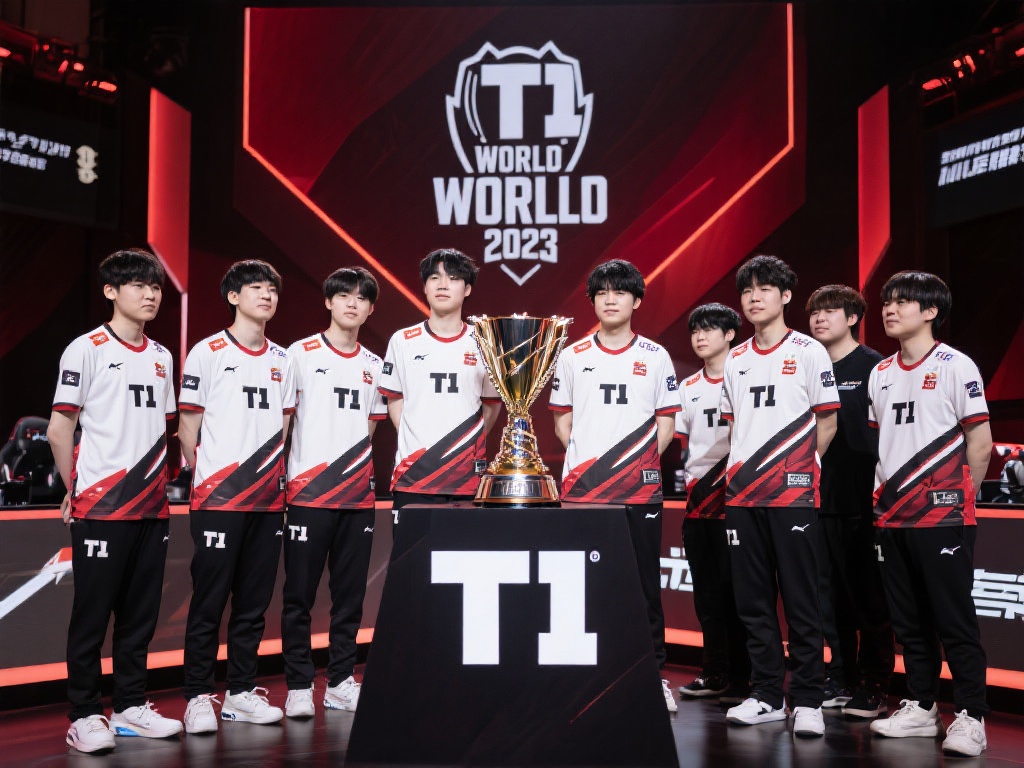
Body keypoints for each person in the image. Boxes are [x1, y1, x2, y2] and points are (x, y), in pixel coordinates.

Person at [47, 248, 182, 752]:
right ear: (111, 291)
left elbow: (163, 429)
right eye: (138, 286)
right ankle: (84, 714)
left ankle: (129, 707)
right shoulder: (85, 349)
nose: (150, 295)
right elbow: (60, 428)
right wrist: (75, 488)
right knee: (92, 615)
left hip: (152, 506)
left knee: (140, 616)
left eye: (156, 287)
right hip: (102, 507)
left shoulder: (163, 355)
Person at [866, 271, 992, 757]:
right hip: (891, 516)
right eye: (887, 301)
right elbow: (883, 443)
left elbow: (979, 442)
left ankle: (971, 715)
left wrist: (960, 499)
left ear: (931, 311)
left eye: (903, 302)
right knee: (908, 621)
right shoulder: (880, 372)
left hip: (943, 518)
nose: (890, 309)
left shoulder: (956, 365)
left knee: (954, 619)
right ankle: (921, 705)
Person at [548, 259, 681, 712]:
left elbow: (666, 423)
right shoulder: (572, 355)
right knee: (582, 587)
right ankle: (584, 678)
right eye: (601, 292)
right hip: (583, 493)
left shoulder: (656, 356)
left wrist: (633, 467)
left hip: (639, 492)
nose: (610, 299)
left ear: (636, 300)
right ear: (592, 301)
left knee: (643, 588)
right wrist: (594, 467)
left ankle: (652, 676)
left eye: (620, 291)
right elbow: (562, 421)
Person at [720, 255, 838, 738]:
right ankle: (767, 694)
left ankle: (808, 699)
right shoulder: (735, 358)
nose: (754, 297)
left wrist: (800, 471)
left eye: (765, 288)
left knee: (801, 599)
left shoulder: (809, 351)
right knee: (753, 602)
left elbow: (828, 420)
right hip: (741, 496)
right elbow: (735, 426)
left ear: (786, 296)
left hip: (793, 497)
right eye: (748, 290)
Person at [178, 259, 296, 733]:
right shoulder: (206, 352)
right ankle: (197, 696)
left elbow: (283, 426)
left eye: (272, 289)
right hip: (218, 501)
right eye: (256, 288)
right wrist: (209, 477)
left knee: (253, 603)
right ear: (233, 296)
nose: (266, 295)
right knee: (209, 602)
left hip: (267, 501)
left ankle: (240, 693)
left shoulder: (284, 359)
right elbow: (188, 427)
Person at [281, 268, 388, 718]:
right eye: (343, 296)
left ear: (370, 309)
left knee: (350, 598)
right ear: (328, 301)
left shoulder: (375, 365)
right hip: (307, 496)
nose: (351, 304)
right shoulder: (299, 354)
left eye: (361, 298)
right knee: (299, 596)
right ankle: (298, 685)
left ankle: (341, 681)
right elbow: (283, 422)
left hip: (356, 497)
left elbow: (369, 429)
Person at [806, 284, 894, 719]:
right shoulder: (807, 365)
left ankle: (874, 683)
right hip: (817, 498)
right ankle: (839, 675)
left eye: (830, 311)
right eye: (815, 313)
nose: (820, 319)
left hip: (863, 499)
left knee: (869, 598)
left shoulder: (874, 366)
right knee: (828, 598)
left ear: (854, 318)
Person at [377, 249, 501, 520]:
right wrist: (420, 440)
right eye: (435, 278)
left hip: (467, 479)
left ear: (467, 289)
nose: (443, 285)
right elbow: (395, 401)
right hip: (413, 478)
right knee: (411, 549)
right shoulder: (402, 340)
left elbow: (491, 405)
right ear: (425, 287)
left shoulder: (486, 342)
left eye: (453, 278)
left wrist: (463, 446)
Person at [674, 303, 751, 705]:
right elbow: (683, 446)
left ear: (730, 334)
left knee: (741, 595)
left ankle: (745, 678)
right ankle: (715, 671)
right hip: (698, 503)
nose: (700, 337)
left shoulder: (747, 376)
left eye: (709, 329)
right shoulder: (687, 387)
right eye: (695, 331)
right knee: (707, 596)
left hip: (738, 499)